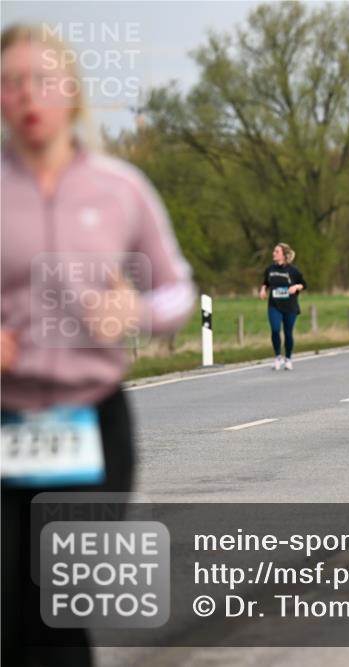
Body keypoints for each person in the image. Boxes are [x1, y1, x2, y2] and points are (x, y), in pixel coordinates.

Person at [1, 24, 194, 666]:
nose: (28, 95)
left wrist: (133, 309)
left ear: (73, 95)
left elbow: (177, 296)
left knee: (58, 605)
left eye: (43, 80)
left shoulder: (121, 188)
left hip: (90, 422)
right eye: (12, 81)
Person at [259, 243, 306, 370]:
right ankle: (277, 356)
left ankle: (288, 358)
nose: (273, 253)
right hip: (274, 305)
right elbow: (266, 282)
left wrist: (296, 287)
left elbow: (303, 284)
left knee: (288, 333)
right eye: (274, 251)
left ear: (284, 255)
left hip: (290, 306)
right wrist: (263, 289)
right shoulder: (270, 269)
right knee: (275, 329)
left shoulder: (293, 270)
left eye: (276, 251)